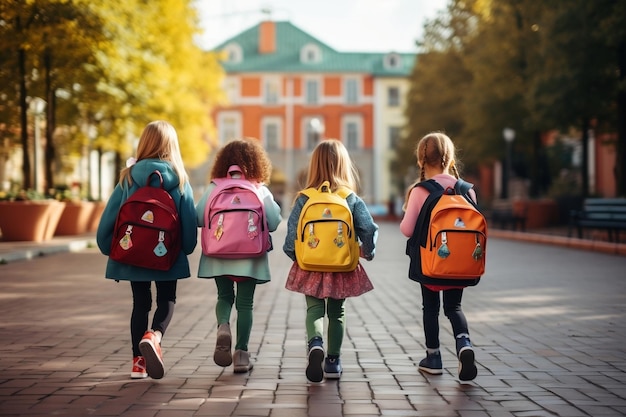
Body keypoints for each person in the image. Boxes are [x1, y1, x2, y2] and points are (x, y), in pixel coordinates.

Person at [96, 120, 198, 379]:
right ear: (171, 146)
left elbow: (110, 218)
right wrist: (186, 248)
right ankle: (154, 335)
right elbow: (187, 225)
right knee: (167, 299)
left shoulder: (128, 178)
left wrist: (109, 248)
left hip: (133, 254)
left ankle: (138, 364)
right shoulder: (181, 181)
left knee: (140, 303)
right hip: (168, 254)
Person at [283, 139, 378, 383]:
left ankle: (315, 343)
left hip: (311, 263)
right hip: (341, 263)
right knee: (337, 312)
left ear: (314, 166)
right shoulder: (350, 198)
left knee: (314, 309)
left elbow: (292, 233)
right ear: (344, 166)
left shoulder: (305, 198)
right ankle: (333, 362)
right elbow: (367, 228)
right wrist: (367, 251)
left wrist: (298, 257)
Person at [195, 138, 282, 373]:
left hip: (218, 253)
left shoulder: (214, 187)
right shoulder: (259, 189)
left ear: (223, 162)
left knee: (224, 296)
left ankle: (223, 325)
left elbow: (198, 217)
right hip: (250, 255)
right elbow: (273, 223)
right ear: (256, 163)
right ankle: (241, 354)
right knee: (245, 304)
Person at [399, 132, 478, 382]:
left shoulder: (420, 191)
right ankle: (463, 343)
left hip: (431, 264)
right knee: (454, 307)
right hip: (461, 264)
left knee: (430, 308)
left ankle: (433, 357)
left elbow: (407, 230)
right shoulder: (467, 190)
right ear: (450, 157)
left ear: (421, 159)